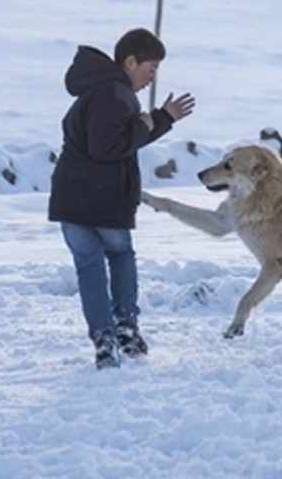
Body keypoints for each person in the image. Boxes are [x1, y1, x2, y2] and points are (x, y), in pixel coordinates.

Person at [48, 27, 196, 369]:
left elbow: (120, 140)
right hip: (103, 199)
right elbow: (107, 147)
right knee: (120, 256)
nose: (152, 77)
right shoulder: (114, 93)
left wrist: (159, 119)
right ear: (130, 62)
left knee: (88, 267)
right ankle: (125, 329)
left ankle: (104, 338)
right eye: (151, 68)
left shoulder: (97, 89)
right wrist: (145, 124)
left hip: (72, 199)